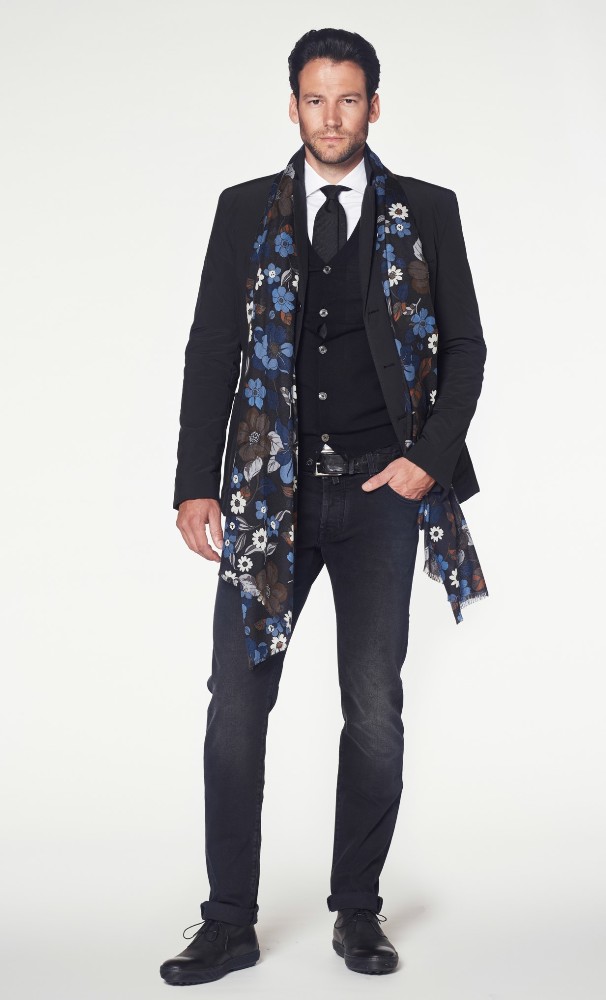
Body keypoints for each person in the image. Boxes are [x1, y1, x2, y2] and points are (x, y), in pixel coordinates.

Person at [160, 27, 488, 986]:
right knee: (235, 703)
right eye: (316, 99)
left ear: (373, 106)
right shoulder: (243, 211)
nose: (332, 117)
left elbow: (466, 347)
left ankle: (358, 911)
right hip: (270, 493)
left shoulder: (428, 210)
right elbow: (211, 348)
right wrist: (194, 480)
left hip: (382, 494)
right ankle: (229, 922)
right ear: (294, 106)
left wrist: (427, 461)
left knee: (373, 707)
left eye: (349, 99)